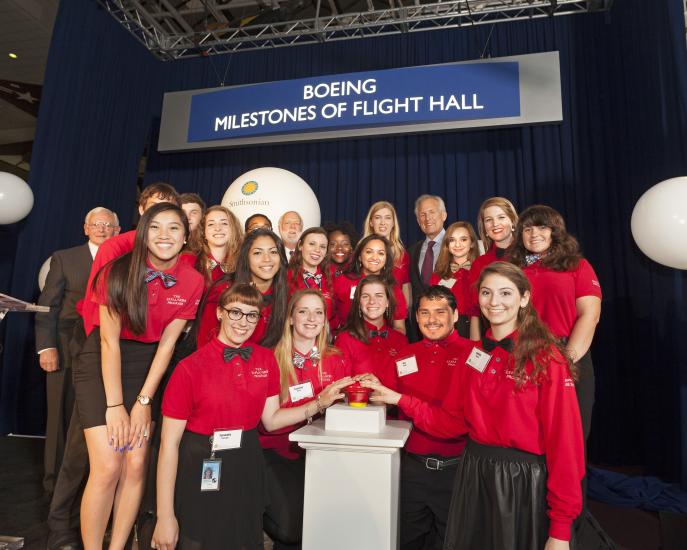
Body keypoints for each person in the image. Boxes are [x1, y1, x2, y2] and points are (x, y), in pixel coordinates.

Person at [365, 262, 585, 549]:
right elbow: (452, 422)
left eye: (505, 293)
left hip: (521, 482)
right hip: (474, 475)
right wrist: (399, 399)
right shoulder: (477, 356)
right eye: (486, 293)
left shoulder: (547, 357)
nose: (494, 302)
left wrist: (560, 528)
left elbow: (566, 443)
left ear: (524, 298)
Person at [151, 284, 352, 550]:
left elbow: (271, 420)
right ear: (220, 313)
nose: (243, 322)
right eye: (235, 312)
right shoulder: (189, 368)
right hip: (202, 461)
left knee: (245, 540)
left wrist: (318, 403)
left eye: (251, 315)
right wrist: (165, 516)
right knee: (200, 539)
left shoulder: (265, 360)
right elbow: (168, 446)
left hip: (247, 460)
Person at [73, 202, 204, 549]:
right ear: (143, 233)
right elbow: (107, 341)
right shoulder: (116, 271)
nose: (165, 236)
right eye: (156, 227)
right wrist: (116, 405)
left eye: (174, 228)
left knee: (135, 464)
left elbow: (167, 346)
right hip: (103, 360)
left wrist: (143, 402)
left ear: (186, 236)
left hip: (149, 366)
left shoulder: (193, 280)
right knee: (107, 466)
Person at [362, 285, 470, 550]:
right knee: (406, 540)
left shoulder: (474, 356)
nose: (431, 319)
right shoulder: (405, 356)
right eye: (424, 313)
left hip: (457, 472)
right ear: (416, 318)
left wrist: (398, 399)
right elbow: (385, 400)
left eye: (440, 312)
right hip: (411, 470)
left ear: (455, 315)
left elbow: (454, 424)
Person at [36, 206, 120, 494]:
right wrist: (46, 347)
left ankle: (89, 485)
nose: (101, 229)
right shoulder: (64, 258)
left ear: (117, 231)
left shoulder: (125, 261)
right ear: (85, 228)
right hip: (65, 350)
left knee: (93, 421)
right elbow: (48, 306)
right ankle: (53, 485)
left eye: (107, 225)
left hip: (107, 354)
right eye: (95, 224)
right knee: (60, 420)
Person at [260, 289, 351, 549]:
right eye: (303, 311)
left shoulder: (335, 358)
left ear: (325, 320)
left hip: (324, 455)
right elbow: (271, 422)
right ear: (290, 318)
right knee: (291, 530)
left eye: (318, 312)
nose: (311, 318)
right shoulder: (270, 359)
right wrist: (319, 403)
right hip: (279, 454)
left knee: (327, 525)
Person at [509, 205, 602, 441]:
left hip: (568, 354)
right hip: (523, 356)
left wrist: (565, 359)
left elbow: (590, 315)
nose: (534, 234)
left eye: (542, 227)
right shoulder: (513, 270)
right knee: (529, 435)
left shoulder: (577, 266)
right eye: (527, 229)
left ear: (555, 232)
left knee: (571, 437)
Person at [196, 228, 288, 349]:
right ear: (246, 257)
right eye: (257, 253)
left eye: (273, 252)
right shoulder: (224, 290)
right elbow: (204, 344)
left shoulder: (284, 293)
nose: (267, 259)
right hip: (221, 363)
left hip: (262, 365)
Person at [334, 275, 408, 381]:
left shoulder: (401, 340)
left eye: (379, 295)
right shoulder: (344, 340)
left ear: (387, 302)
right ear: (359, 303)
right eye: (365, 296)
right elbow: (341, 385)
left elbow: (406, 383)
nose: (372, 301)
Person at [332, 235, 407, 334]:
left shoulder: (393, 287)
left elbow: (399, 328)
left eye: (380, 253)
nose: (375, 257)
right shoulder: (342, 280)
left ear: (386, 259)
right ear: (359, 256)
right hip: (346, 341)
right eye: (369, 252)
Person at [467, 196, 518, 340]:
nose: (495, 224)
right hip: (494, 340)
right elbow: (475, 312)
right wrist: (475, 347)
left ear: (512, 221)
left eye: (501, 217)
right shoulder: (479, 265)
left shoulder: (532, 257)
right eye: (488, 220)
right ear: (484, 227)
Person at [408, 195, 448, 341]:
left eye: (432, 212)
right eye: (422, 215)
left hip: (452, 329)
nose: (427, 218)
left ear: (443, 215)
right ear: (418, 222)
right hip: (421, 332)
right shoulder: (411, 252)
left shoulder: (457, 246)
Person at [430, 221, 479, 338]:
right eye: (452, 240)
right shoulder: (437, 275)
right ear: (446, 245)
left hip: (476, 326)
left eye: (463, 239)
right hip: (446, 327)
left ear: (472, 243)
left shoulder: (481, 271)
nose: (457, 244)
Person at [362, 201, 411, 310]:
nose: (383, 222)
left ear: (393, 223)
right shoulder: (361, 251)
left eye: (388, 218)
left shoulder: (402, 254)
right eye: (378, 217)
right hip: (368, 310)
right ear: (371, 222)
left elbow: (405, 287)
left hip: (394, 313)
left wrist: (404, 314)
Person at [194, 205, 243, 286]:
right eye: (211, 224)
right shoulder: (192, 262)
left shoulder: (243, 262)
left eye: (224, 223)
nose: (218, 228)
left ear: (233, 229)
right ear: (203, 232)